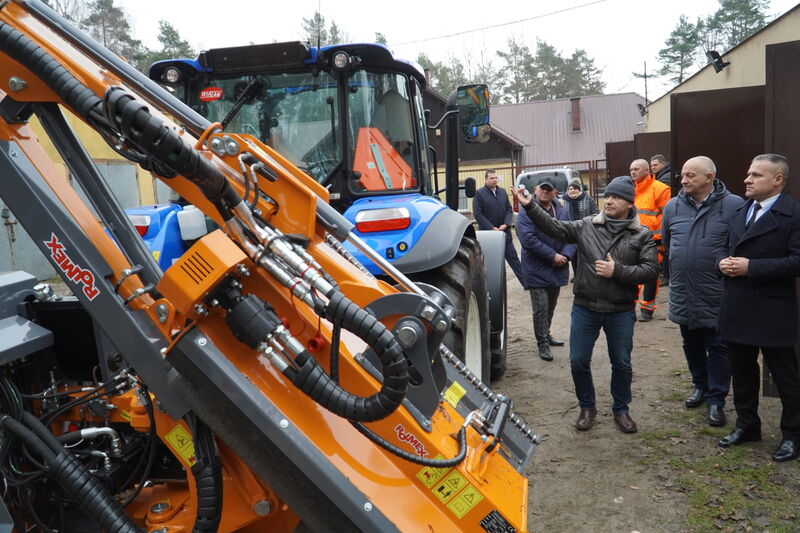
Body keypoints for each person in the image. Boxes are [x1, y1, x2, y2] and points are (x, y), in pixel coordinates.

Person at [512, 176, 659, 433]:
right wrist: (530, 206)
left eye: (617, 197)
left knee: (621, 363)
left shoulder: (641, 234)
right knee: (578, 360)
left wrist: (618, 271)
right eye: (608, 196)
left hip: (620, 310)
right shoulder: (587, 225)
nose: (610, 201)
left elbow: (651, 270)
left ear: (629, 203)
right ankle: (587, 407)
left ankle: (621, 409)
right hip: (585, 306)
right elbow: (555, 228)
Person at [717, 153, 800, 463]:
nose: (747, 180)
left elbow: (797, 261)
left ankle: (793, 435)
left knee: (785, 376)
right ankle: (747, 424)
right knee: (741, 372)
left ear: (777, 180)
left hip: (773, 309)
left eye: (755, 175)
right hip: (738, 304)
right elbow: (727, 249)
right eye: (748, 174)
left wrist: (753, 267)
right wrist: (721, 263)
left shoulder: (793, 215)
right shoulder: (742, 210)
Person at [662, 156, 743, 427]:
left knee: (718, 347)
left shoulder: (733, 206)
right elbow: (667, 241)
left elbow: (740, 246)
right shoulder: (672, 207)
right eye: (682, 176)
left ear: (709, 177)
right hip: (684, 290)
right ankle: (699, 385)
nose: (683, 180)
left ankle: (717, 400)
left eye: (690, 176)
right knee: (691, 342)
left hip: (716, 291)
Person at [516, 177, 576, 361]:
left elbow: (572, 235)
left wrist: (565, 255)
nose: (544, 192)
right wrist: (553, 256)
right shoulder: (526, 211)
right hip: (536, 268)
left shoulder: (562, 211)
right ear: (535, 189)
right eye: (541, 188)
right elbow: (528, 240)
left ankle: (546, 334)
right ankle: (542, 343)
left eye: (548, 190)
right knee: (540, 308)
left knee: (551, 306)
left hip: (558, 267)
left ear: (555, 193)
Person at [630, 159, 671, 321]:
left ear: (647, 170)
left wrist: (663, 240)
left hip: (653, 242)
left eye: (636, 169)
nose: (633, 172)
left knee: (650, 276)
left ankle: (647, 308)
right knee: (630, 275)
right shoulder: (629, 189)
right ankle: (628, 307)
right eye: (631, 169)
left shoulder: (660, 189)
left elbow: (669, 217)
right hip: (631, 240)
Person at [473, 169, 524, 285]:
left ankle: (527, 284)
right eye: (491, 178)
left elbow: (509, 209)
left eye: (496, 178)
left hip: (504, 233)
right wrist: (492, 228)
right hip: (489, 235)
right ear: (486, 180)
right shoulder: (479, 194)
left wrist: (506, 224)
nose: (494, 180)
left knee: (514, 259)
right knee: (490, 264)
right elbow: (478, 214)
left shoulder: (502, 192)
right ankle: (491, 287)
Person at [563, 179, 599, 282]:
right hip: (571, 231)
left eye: (574, 188)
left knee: (586, 253)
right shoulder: (564, 201)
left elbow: (595, 212)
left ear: (579, 189)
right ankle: (577, 275)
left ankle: (588, 274)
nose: (572, 190)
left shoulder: (587, 198)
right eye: (570, 189)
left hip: (585, 230)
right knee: (573, 255)